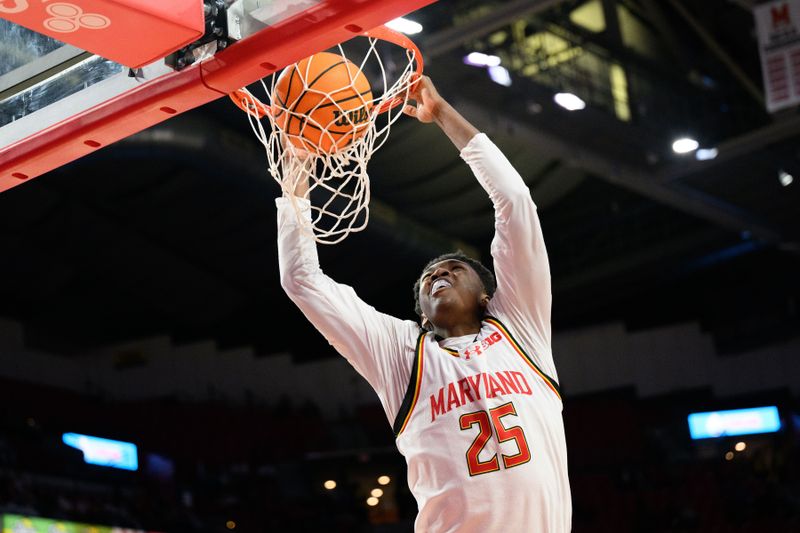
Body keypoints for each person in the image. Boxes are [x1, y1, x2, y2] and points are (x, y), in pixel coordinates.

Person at [276, 76, 571, 532]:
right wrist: (296, 173)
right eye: (428, 278)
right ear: (420, 315)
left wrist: (442, 115)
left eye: (454, 269)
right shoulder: (402, 354)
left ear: (486, 296)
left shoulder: (521, 328)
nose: (438, 275)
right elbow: (302, 279)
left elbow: (514, 202)